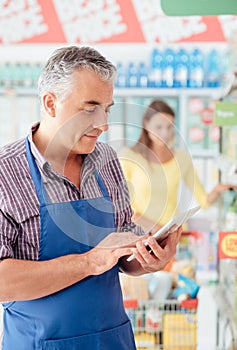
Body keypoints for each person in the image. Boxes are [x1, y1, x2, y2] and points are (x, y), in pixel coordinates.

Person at [0, 47, 182, 350]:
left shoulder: (107, 159)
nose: (104, 124)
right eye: (90, 108)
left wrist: (148, 260)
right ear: (50, 103)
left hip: (111, 340)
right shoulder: (6, 172)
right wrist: (89, 262)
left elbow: (123, 250)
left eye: (107, 109)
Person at [119, 99, 236, 234]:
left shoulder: (182, 159)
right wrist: (157, 229)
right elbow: (122, 207)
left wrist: (217, 190)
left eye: (170, 127)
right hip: (141, 235)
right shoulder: (129, 156)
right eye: (159, 127)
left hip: (174, 236)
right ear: (146, 124)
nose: (165, 133)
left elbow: (203, 201)